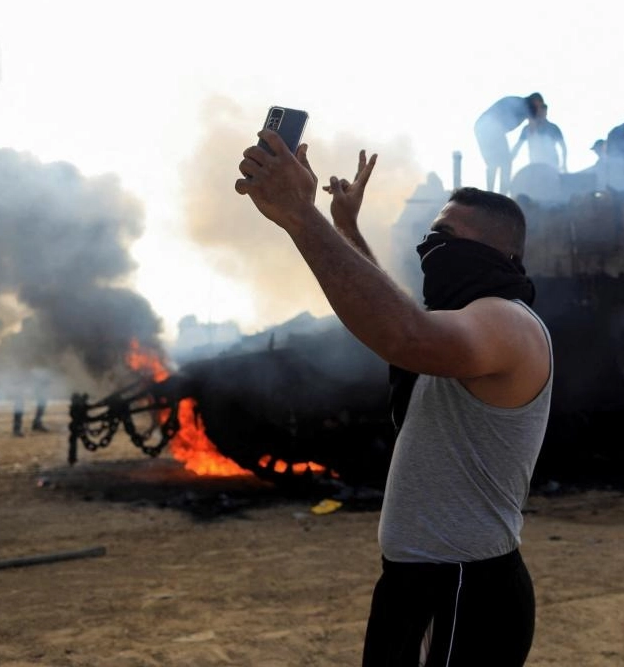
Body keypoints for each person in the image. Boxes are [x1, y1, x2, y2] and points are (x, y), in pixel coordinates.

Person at [236, 130, 553, 666]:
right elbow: (398, 319)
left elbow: (404, 335)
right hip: (420, 583)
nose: (429, 247)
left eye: (444, 235)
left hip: (461, 588)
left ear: (499, 251)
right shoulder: (466, 324)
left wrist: (301, 216)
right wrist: (345, 227)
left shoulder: (508, 323)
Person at [474, 93, 544, 193]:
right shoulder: (524, 105)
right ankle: (499, 194)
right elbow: (533, 127)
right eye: (539, 105)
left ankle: (492, 193)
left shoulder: (522, 105)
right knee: (502, 163)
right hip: (490, 127)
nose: (539, 108)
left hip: (483, 128)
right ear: (535, 100)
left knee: (495, 162)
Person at [510, 103, 567, 172]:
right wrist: (509, 159)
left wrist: (564, 164)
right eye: (540, 112)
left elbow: (563, 147)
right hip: (536, 164)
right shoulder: (527, 129)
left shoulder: (553, 128)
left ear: (546, 112)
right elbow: (518, 146)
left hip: (552, 164)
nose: (542, 114)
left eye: (543, 112)